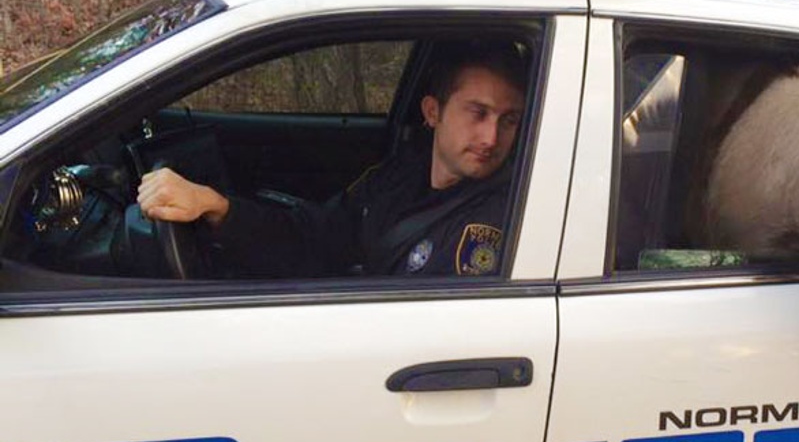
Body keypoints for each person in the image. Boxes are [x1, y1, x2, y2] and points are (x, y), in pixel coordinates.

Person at [135, 43, 527, 278]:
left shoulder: (505, 212)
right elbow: (318, 237)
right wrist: (217, 208)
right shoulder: (400, 174)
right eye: (478, 113)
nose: (491, 138)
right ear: (432, 112)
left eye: (508, 120)